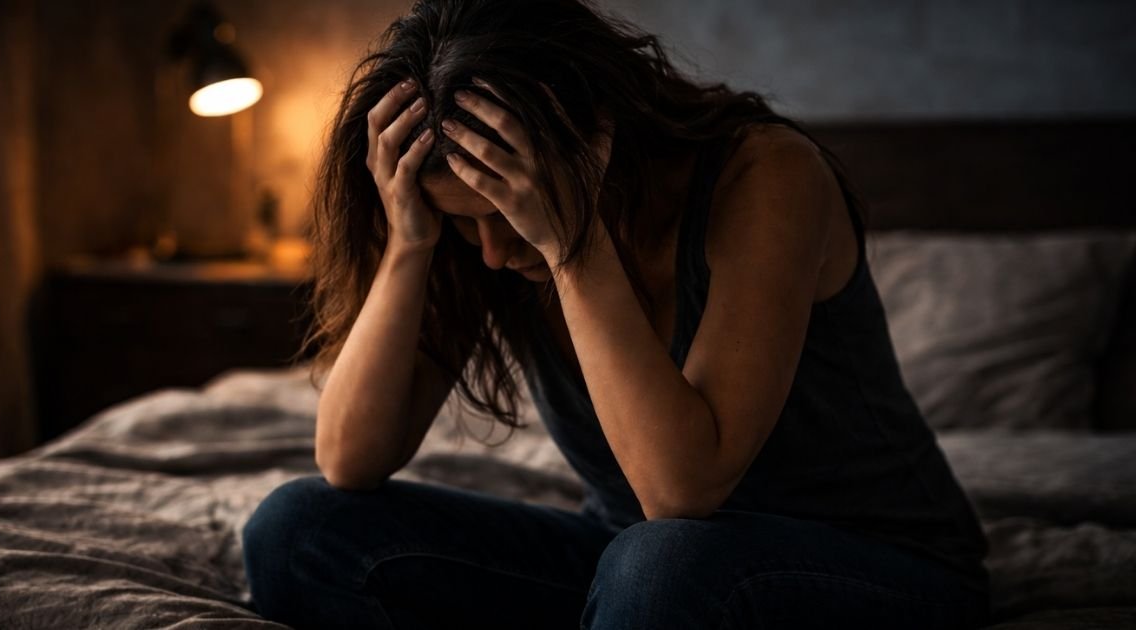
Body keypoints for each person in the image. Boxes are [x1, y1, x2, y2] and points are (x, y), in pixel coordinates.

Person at [241, 0, 991, 628]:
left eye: (505, 215)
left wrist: (572, 246)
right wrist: (412, 241)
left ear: (594, 137)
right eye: (467, 222)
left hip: (875, 564)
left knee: (664, 563)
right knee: (299, 530)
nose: (495, 252)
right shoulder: (477, 243)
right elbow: (350, 459)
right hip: (637, 562)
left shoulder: (767, 175)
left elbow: (680, 493)